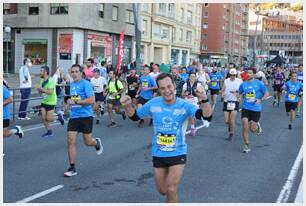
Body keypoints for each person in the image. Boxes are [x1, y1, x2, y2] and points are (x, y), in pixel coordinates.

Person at [120, 73, 212, 203]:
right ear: (159, 90)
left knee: (171, 189)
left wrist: (205, 99)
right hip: (158, 153)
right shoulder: (153, 103)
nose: (167, 90)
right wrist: (127, 105)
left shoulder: (184, 105)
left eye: (169, 86)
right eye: (162, 88)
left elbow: (206, 117)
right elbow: (135, 116)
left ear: (174, 86)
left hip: (178, 151)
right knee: (163, 190)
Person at [64, 64, 103, 177]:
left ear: (81, 73)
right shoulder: (71, 85)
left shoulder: (86, 84)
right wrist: (68, 104)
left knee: (87, 142)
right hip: (74, 116)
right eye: (72, 72)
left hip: (86, 116)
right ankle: (72, 167)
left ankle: (96, 142)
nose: (74, 73)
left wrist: (76, 102)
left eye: (76, 71)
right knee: (70, 140)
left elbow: (92, 100)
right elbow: (73, 98)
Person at [238, 67, 269, 153]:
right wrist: (239, 97)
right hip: (246, 107)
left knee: (253, 129)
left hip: (256, 108)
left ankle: (257, 126)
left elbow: (266, 93)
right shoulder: (243, 84)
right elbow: (239, 93)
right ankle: (246, 145)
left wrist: (260, 99)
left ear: (254, 74)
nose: (248, 74)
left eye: (250, 73)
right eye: (247, 73)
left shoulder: (259, 84)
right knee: (244, 126)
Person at [36, 66, 65, 137]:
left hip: (51, 101)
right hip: (44, 101)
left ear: (45, 72)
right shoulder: (42, 80)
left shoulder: (50, 80)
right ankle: (49, 131)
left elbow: (50, 92)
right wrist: (38, 90)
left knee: (48, 118)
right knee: (43, 117)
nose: (40, 72)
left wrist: (41, 89)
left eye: (41, 71)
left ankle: (59, 117)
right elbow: (40, 91)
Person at [181, 72, 206, 137]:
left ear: (195, 78)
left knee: (191, 115)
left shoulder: (198, 85)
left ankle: (192, 127)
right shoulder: (185, 84)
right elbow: (182, 94)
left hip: (195, 103)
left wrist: (197, 93)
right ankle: (193, 127)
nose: (192, 78)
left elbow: (203, 95)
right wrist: (185, 94)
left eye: (194, 76)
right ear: (189, 77)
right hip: (186, 102)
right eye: (191, 76)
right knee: (189, 116)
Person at [221, 68, 242, 141]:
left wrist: (239, 96)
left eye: (233, 75)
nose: (232, 76)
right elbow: (223, 90)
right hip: (227, 101)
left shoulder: (239, 81)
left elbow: (242, 91)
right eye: (231, 74)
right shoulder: (226, 81)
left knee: (232, 120)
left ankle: (231, 134)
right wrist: (222, 94)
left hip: (235, 102)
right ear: (229, 74)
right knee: (227, 121)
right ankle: (230, 126)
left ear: (235, 74)